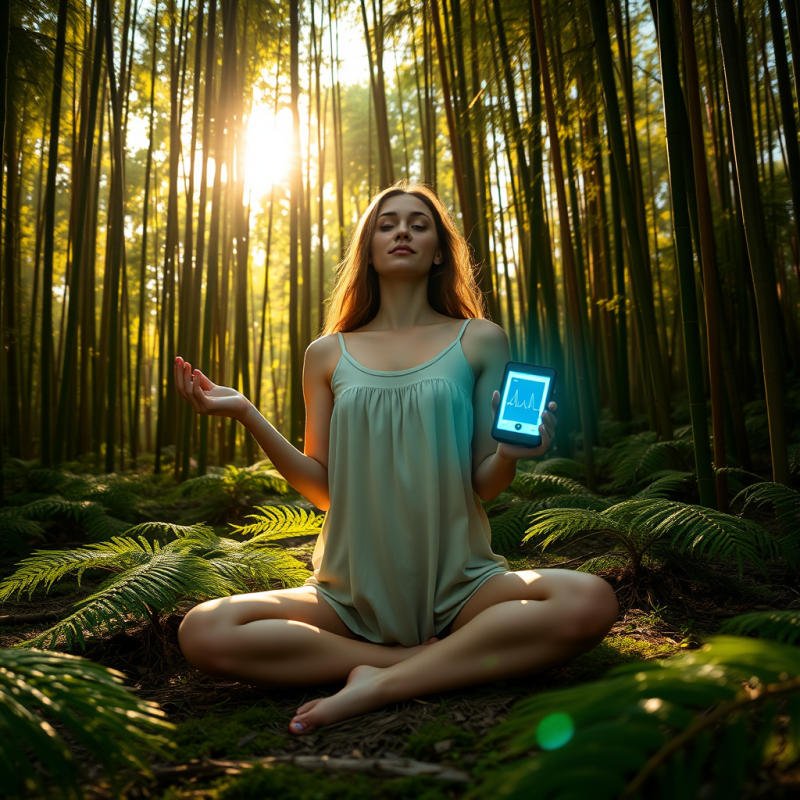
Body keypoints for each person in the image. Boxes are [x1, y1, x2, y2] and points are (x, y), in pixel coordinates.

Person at [173, 181, 619, 737]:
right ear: (368, 249)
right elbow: (324, 490)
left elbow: (484, 484)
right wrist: (247, 412)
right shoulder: (326, 353)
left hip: (462, 585)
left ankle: (379, 683)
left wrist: (509, 454)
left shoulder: (480, 339)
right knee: (204, 630)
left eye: (418, 223)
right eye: (387, 224)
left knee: (589, 600)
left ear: (439, 251)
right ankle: (408, 663)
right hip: (348, 592)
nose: (402, 231)